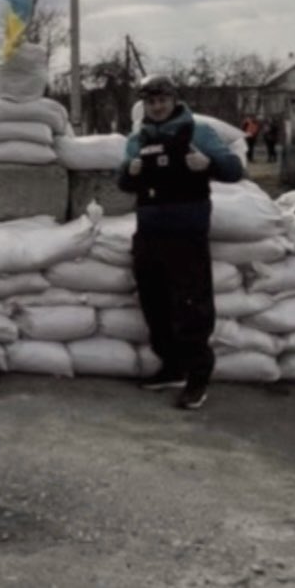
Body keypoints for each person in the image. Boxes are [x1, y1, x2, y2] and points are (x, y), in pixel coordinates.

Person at [117, 74, 244, 410]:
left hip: (186, 233)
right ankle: (171, 366)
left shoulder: (198, 132)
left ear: (174, 100)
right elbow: (123, 183)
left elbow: (234, 170)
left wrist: (208, 164)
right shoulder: (138, 138)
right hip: (149, 233)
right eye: (151, 102)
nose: (157, 107)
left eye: (162, 100)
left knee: (191, 305)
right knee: (154, 302)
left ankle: (197, 376)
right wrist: (129, 172)